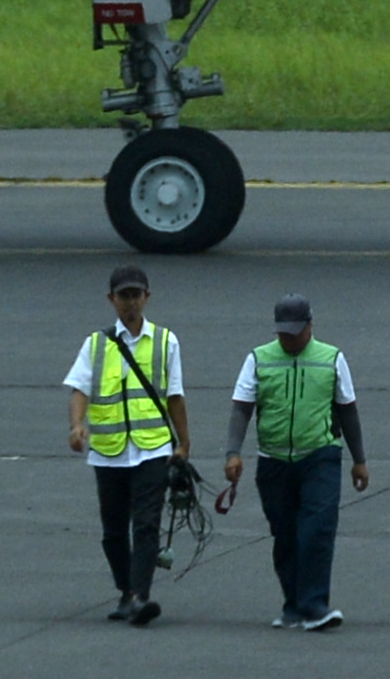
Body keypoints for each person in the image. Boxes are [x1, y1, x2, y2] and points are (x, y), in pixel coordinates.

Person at [223, 293, 368, 631]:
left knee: (316, 529)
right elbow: (242, 407)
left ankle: (316, 605)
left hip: (320, 455)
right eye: (283, 332)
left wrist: (359, 460)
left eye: (295, 331)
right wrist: (233, 452)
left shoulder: (331, 358)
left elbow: (348, 409)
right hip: (273, 460)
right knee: (285, 534)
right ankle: (293, 606)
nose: (288, 338)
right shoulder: (258, 359)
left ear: (310, 325)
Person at [62, 264, 189, 627]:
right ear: (111, 300)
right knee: (114, 530)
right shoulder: (96, 344)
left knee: (147, 524)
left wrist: (184, 443)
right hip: (109, 450)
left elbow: (175, 396)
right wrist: (76, 425)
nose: (130, 302)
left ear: (147, 297)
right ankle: (126, 591)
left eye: (136, 295)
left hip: (152, 448)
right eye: (124, 296)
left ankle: (139, 595)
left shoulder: (166, 341)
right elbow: (80, 389)